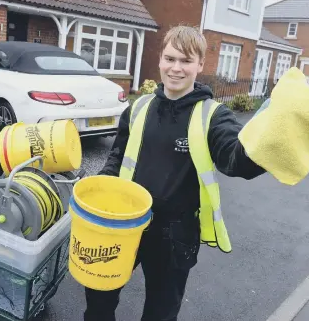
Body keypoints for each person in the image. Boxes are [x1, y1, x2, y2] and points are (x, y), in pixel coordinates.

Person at [83, 25, 267, 321]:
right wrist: (99, 186)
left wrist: (269, 144)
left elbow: (236, 161)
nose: (176, 68)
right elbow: (117, 156)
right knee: (98, 299)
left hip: (174, 236)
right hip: (125, 225)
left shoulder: (213, 116)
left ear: (200, 65)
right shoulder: (139, 107)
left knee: (160, 313)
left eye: (186, 61)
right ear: (160, 59)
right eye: (170, 59)